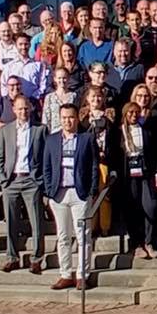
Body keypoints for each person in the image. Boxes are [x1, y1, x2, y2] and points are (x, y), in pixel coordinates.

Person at [43, 104, 99, 290]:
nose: (67, 121)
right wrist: (49, 191)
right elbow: (47, 167)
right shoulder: (51, 140)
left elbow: (94, 166)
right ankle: (65, 274)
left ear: (77, 118)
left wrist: (91, 190)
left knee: (83, 236)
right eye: (64, 117)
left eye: (71, 117)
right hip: (59, 194)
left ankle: (82, 274)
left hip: (79, 193)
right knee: (63, 236)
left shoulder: (86, 138)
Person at [0, 95, 48, 274]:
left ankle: (36, 259)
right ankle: (12, 258)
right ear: (14, 110)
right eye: (19, 108)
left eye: (26, 108)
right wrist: (3, 179)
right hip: (11, 181)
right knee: (11, 222)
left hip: (32, 181)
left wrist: (40, 180)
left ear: (30, 108)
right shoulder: (6, 130)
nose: (23, 112)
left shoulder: (40, 129)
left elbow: (46, 156)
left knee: (36, 222)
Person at [118, 102, 157, 259]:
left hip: (145, 172)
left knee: (150, 206)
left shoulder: (146, 130)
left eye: (136, 112)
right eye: (130, 112)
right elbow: (115, 154)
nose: (133, 115)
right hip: (128, 174)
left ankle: (149, 241)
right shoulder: (119, 132)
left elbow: (155, 152)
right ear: (125, 114)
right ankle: (137, 243)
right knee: (133, 208)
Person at [79, 85, 116, 236]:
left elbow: (113, 140)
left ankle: (105, 226)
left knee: (104, 195)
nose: (96, 99)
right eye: (93, 96)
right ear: (87, 98)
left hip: (103, 161)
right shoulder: (82, 118)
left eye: (99, 96)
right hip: (88, 162)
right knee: (91, 194)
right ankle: (92, 226)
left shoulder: (109, 117)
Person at [0, 34, 47, 102]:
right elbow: (3, 85)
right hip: (12, 103)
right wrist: (9, 100)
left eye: (26, 44)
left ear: (30, 45)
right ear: (16, 46)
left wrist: (33, 98)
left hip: (32, 103)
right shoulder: (9, 66)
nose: (23, 47)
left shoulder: (38, 65)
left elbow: (43, 85)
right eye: (20, 44)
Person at [106, 39, 145, 107]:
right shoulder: (107, 70)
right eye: (120, 51)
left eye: (126, 51)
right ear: (114, 52)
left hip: (132, 108)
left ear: (130, 51)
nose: (123, 54)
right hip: (112, 107)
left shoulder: (139, 69)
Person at [43, 67, 76, 133]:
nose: (62, 80)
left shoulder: (74, 96)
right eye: (59, 78)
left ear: (69, 78)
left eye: (64, 78)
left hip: (71, 133)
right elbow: (46, 119)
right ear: (55, 79)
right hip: (54, 133)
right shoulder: (49, 97)